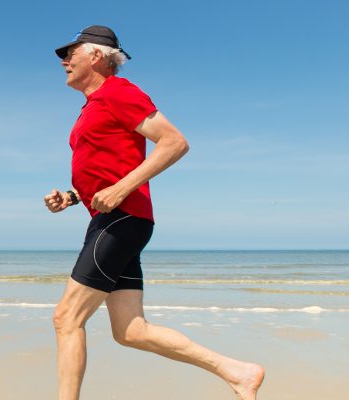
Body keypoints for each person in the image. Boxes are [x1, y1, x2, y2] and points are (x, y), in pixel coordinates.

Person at [44, 25, 265, 400]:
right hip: (116, 219)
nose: (64, 61)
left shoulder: (118, 92)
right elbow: (107, 169)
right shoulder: (93, 105)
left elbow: (174, 142)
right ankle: (238, 372)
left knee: (66, 318)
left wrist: (121, 188)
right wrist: (72, 195)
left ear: (96, 56)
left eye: (72, 52)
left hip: (123, 219)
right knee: (130, 330)